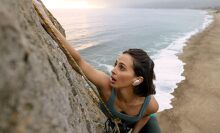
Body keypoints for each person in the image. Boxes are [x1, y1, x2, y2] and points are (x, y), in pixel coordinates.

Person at [33, 0, 161, 132]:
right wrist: (46, 21)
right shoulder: (105, 85)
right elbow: (78, 61)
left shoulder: (150, 105)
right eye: (116, 64)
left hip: (144, 126)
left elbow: (145, 116)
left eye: (122, 67)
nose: (113, 70)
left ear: (137, 80)